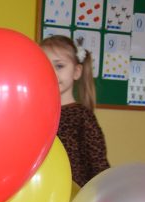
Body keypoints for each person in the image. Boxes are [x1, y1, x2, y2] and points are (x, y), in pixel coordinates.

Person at [40, 35, 110, 186]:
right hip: (44, 191)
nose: (51, 72)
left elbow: (99, 166)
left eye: (59, 66)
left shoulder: (82, 116)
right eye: (44, 65)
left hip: (76, 195)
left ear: (77, 71)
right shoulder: (38, 116)